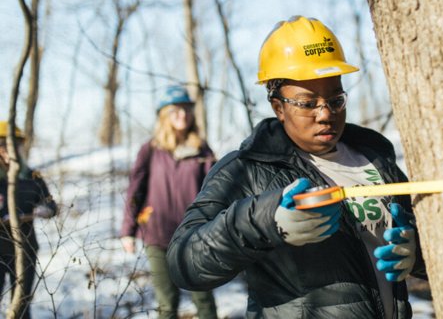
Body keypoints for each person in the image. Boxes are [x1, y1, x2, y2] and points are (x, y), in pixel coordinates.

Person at [166, 16, 426, 319]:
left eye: (336, 100)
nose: (325, 113)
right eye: (307, 103)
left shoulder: (376, 159)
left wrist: (418, 253)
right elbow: (183, 264)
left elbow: (439, 239)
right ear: (278, 106)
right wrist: (265, 221)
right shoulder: (246, 171)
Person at [120, 86, 218, 319]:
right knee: (167, 301)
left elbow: (217, 190)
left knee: (203, 297)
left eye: (186, 109)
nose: (182, 115)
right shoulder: (151, 150)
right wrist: (128, 230)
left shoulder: (201, 149)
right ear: (164, 116)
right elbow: (136, 189)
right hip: (157, 235)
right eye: (175, 110)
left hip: (195, 234)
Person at [0, 121, 58, 319]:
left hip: (25, 249)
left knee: (22, 306)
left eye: (16, 145)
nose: (11, 150)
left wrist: (45, 209)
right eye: (5, 145)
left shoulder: (32, 176)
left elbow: (51, 205)